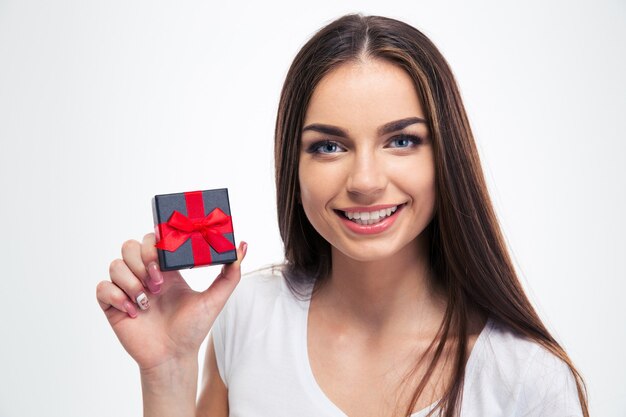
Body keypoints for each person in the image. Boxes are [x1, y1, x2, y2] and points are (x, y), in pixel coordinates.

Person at [96, 13, 589, 417]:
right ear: (295, 165)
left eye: (402, 140)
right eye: (329, 146)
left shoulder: (528, 381)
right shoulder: (246, 317)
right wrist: (169, 371)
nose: (366, 180)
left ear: (447, 157)